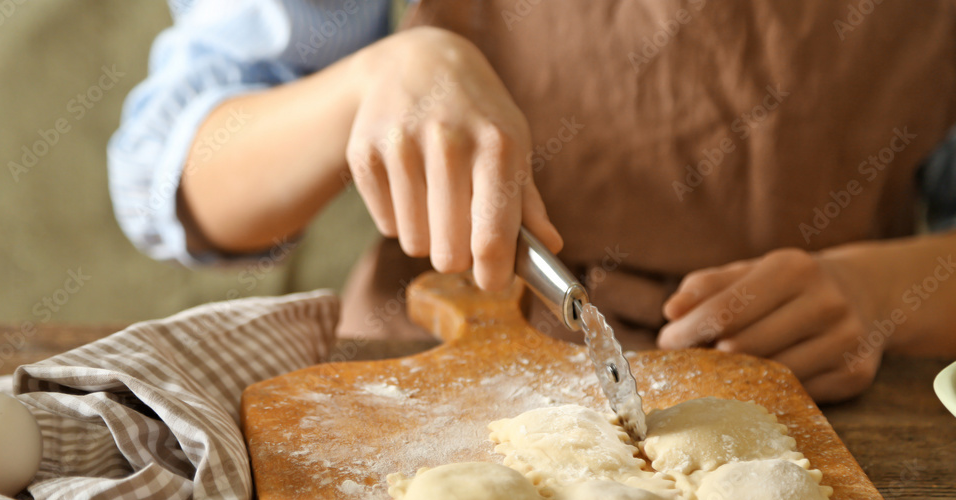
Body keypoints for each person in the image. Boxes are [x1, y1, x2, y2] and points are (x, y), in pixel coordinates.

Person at [109, 0, 956, 403]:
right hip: (432, 382)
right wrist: (375, 78)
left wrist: (886, 294)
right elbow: (183, 183)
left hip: (834, 403)